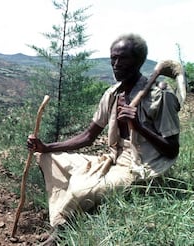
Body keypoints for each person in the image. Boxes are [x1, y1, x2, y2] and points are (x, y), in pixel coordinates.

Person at [27, 33, 181, 227]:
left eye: (122, 58)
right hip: (113, 160)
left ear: (138, 61)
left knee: (80, 191)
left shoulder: (161, 96)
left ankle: (61, 228)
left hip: (141, 168)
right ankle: (83, 201)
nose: (116, 64)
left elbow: (172, 149)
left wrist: (139, 127)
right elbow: (88, 136)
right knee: (48, 158)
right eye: (113, 58)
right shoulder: (112, 94)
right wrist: (46, 147)